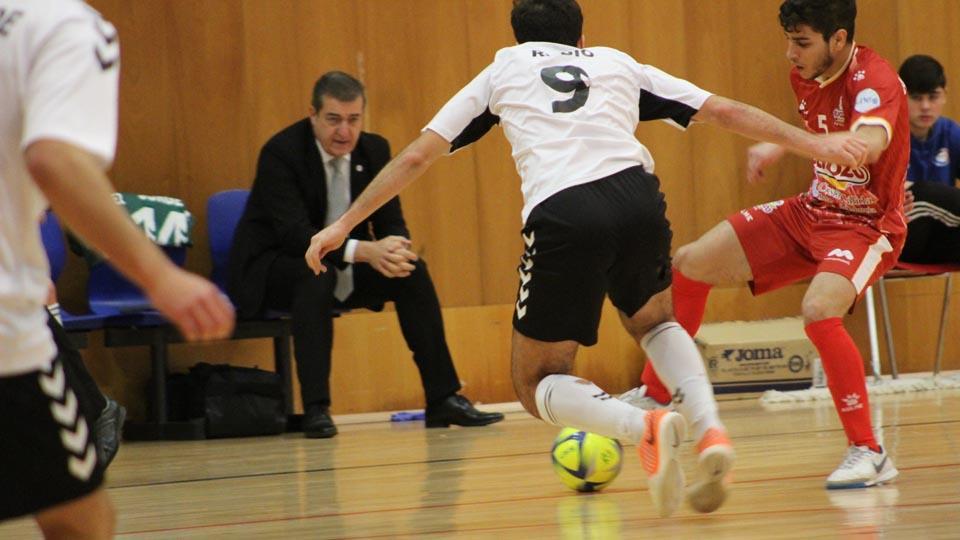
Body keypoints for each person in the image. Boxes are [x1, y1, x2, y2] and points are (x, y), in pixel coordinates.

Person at [304, 0, 868, 517]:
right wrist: (816, 145)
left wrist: (343, 225)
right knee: (656, 322)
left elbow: (417, 157)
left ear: (518, 36)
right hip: (639, 198)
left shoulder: (504, 69)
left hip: (566, 213)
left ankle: (643, 424)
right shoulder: (616, 62)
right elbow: (722, 111)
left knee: (537, 380)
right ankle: (711, 429)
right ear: (580, 37)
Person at [636, 0, 905, 490]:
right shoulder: (806, 73)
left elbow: (868, 140)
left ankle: (869, 451)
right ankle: (657, 396)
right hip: (811, 210)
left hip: (866, 227)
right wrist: (782, 144)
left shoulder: (876, 80)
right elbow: (823, 132)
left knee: (819, 309)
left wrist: (833, 146)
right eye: (788, 40)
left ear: (839, 40)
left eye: (801, 43)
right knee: (691, 263)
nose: (789, 53)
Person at [0, 1, 235, 537]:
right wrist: (161, 277)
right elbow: (54, 159)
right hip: (7, 334)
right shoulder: (65, 26)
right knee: (80, 517)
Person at [227, 71, 504, 439]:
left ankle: (443, 398)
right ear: (312, 114)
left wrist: (393, 249)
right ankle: (316, 409)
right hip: (276, 268)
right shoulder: (281, 152)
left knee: (412, 272)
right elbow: (295, 235)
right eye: (333, 120)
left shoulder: (374, 150)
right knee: (314, 276)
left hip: (345, 263)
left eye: (353, 120)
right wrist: (364, 250)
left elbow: (392, 220)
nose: (344, 131)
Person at [897, 54, 960, 264]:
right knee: (923, 194)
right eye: (916, 97)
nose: (925, 106)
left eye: (932, 97)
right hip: (898, 237)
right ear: (900, 96)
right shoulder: (885, 134)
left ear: (944, 96)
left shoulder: (950, 132)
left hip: (937, 239)